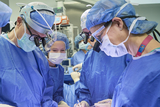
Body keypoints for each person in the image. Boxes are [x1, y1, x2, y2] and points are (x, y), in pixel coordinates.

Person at [86, 0, 160, 107]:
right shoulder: (136, 58)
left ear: (118, 23)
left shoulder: (156, 66)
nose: (101, 46)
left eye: (100, 37)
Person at [0, 2, 59, 107]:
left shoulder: (38, 56)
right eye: (34, 36)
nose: (35, 43)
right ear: (19, 22)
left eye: (41, 38)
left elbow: (46, 95)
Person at [74, 9, 132, 107]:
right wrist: (85, 102)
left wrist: (117, 103)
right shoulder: (90, 56)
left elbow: (139, 93)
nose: (92, 38)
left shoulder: (127, 53)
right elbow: (84, 88)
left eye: (96, 33)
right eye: (87, 34)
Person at [43, 31, 70, 107]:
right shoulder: (40, 68)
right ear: (47, 50)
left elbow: (57, 93)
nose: (59, 53)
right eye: (54, 50)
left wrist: (61, 102)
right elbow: (40, 96)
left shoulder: (60, 69)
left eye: (62, 50)